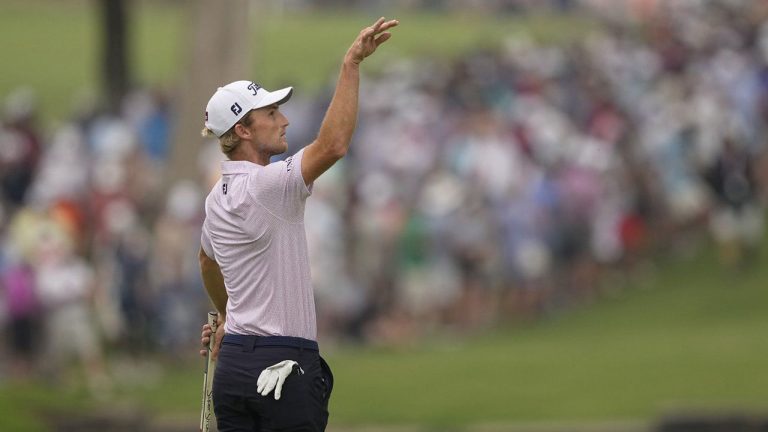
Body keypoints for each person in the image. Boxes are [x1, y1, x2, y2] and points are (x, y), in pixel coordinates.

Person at [198, 17, 399, 432]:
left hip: (235, 364)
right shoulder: (270, 187)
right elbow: (334, 145)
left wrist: (228, 317)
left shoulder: (216, 198)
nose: (284, 120)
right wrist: (351, 65)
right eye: (271, 113)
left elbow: (206, 260)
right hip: (282, 367)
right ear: (243, 130)